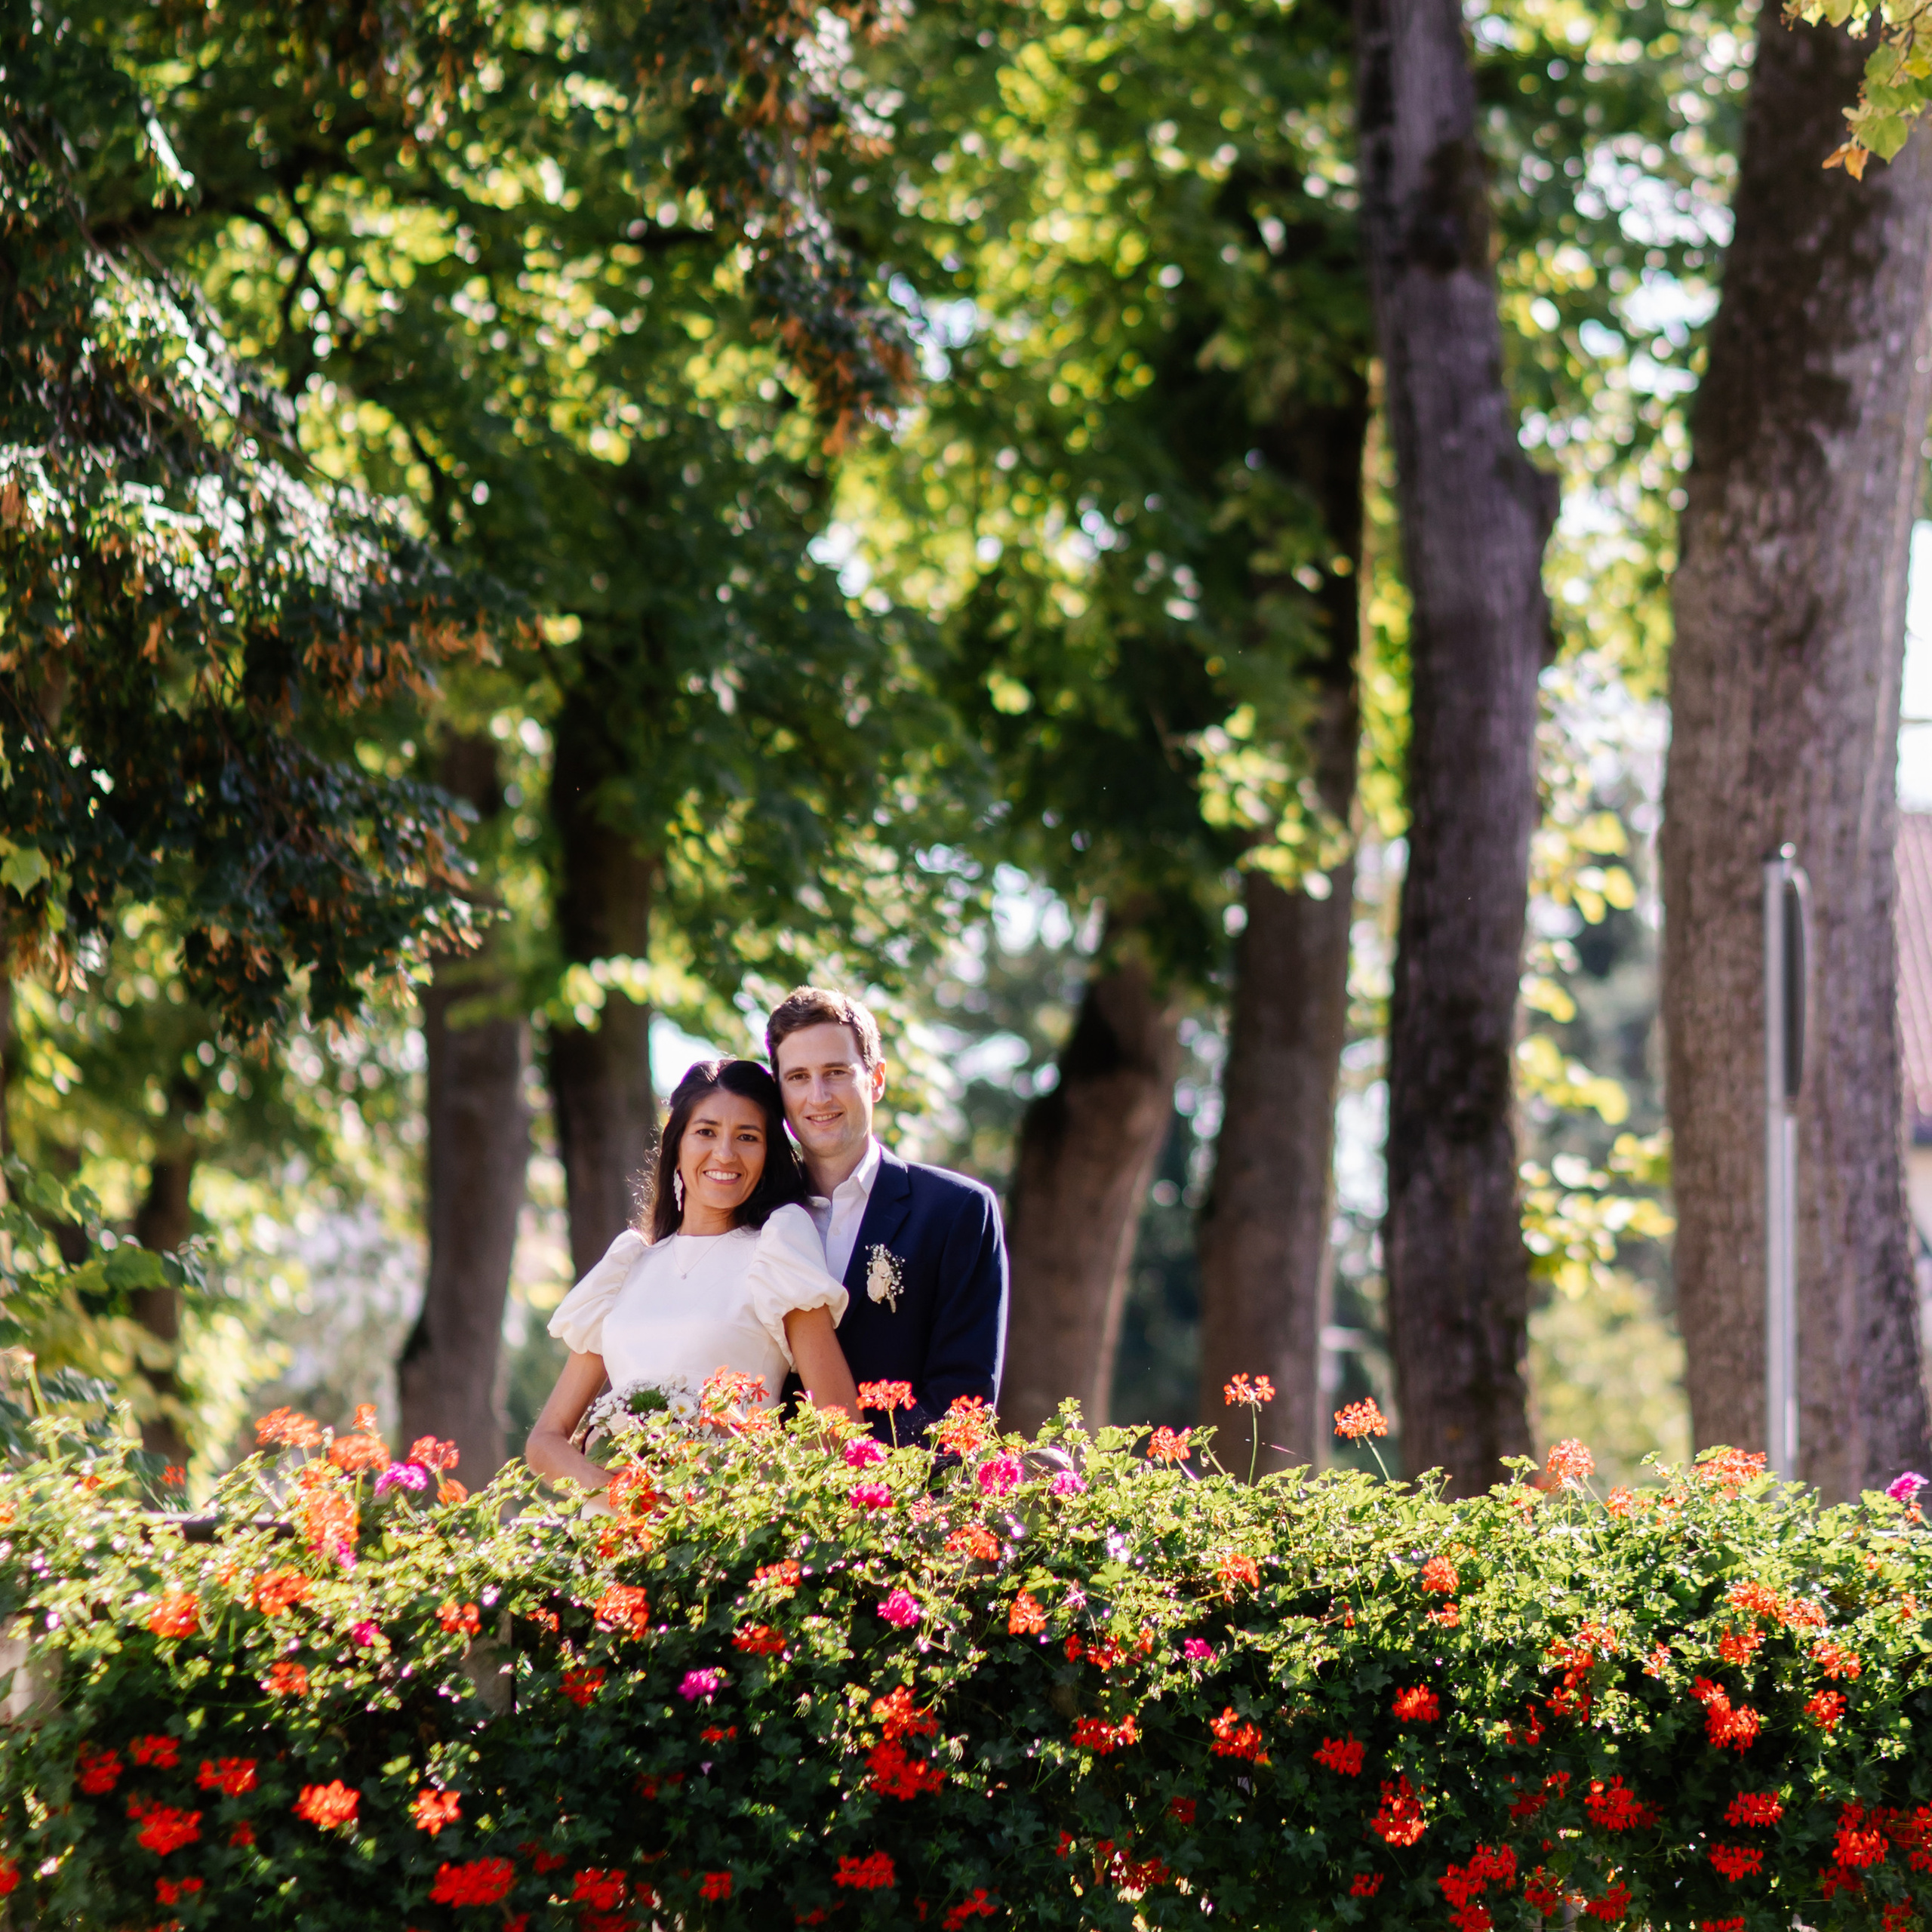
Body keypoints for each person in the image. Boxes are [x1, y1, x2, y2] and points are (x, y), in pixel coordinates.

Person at [525, 1057, 860, 1500]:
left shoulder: (777, 1247)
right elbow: (546, 1440)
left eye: (747, 1137)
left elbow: (839, 1427)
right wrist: (620, 1497)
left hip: (726, 1536)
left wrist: (739, 1506)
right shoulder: (627, 1265)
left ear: (767, 1154)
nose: (725, 1153)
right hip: (612, 1536)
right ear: (677, 1144)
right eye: (706, 1132)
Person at [767, 986, 1008, 1439]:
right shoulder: (756, 1216)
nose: (817, 1096)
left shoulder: (957, 1213)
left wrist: (867, 1488)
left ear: (876, 1079)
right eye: (797, 1077)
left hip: (897, 1499)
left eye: (835, 1072)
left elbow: (962, 1402)